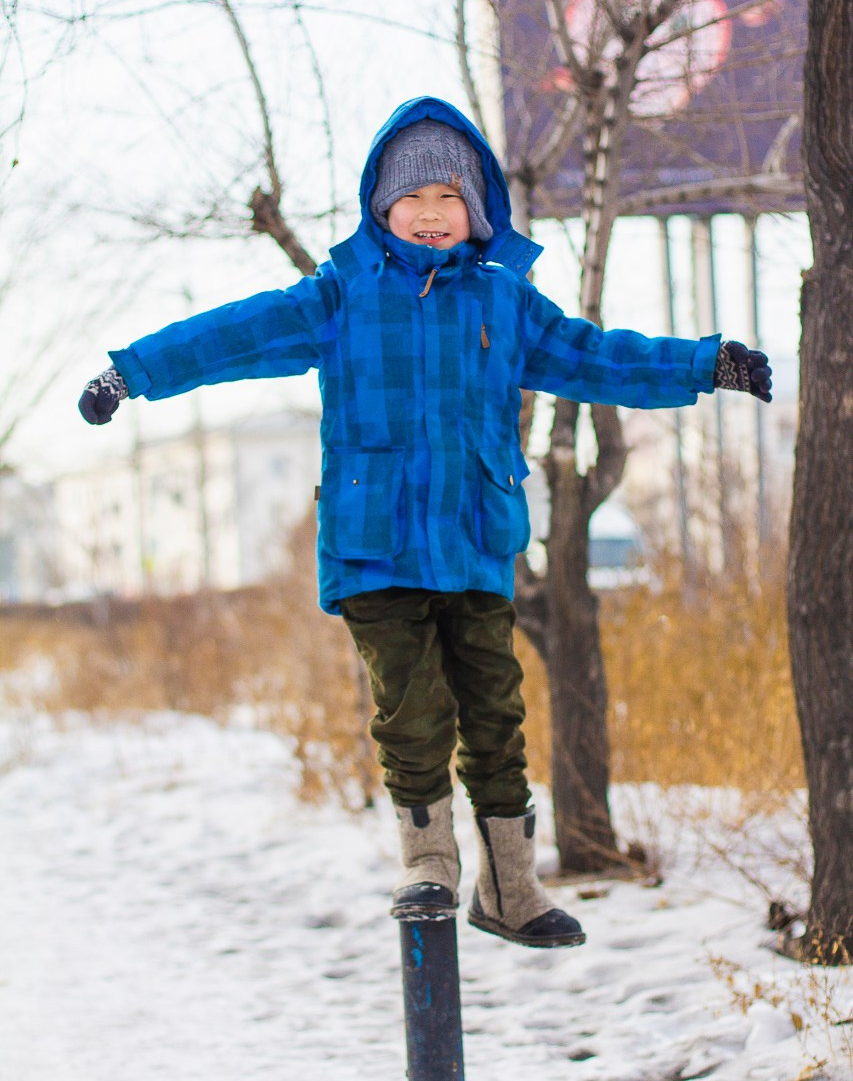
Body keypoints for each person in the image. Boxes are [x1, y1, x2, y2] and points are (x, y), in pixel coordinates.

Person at [78, 96, 772, 949]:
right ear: (381, 206)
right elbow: (231, 337)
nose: (432, 213)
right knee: (410, 713)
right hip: (374, 548)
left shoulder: (505, 302)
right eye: (413, 197)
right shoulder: (342, 296)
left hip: (475, 542)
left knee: (494, 717)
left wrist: (705, 363)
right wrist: (130, 373)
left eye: (450, 197)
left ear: (476, 210)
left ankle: (510, 889)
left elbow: (596, 356)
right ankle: (427, 865)